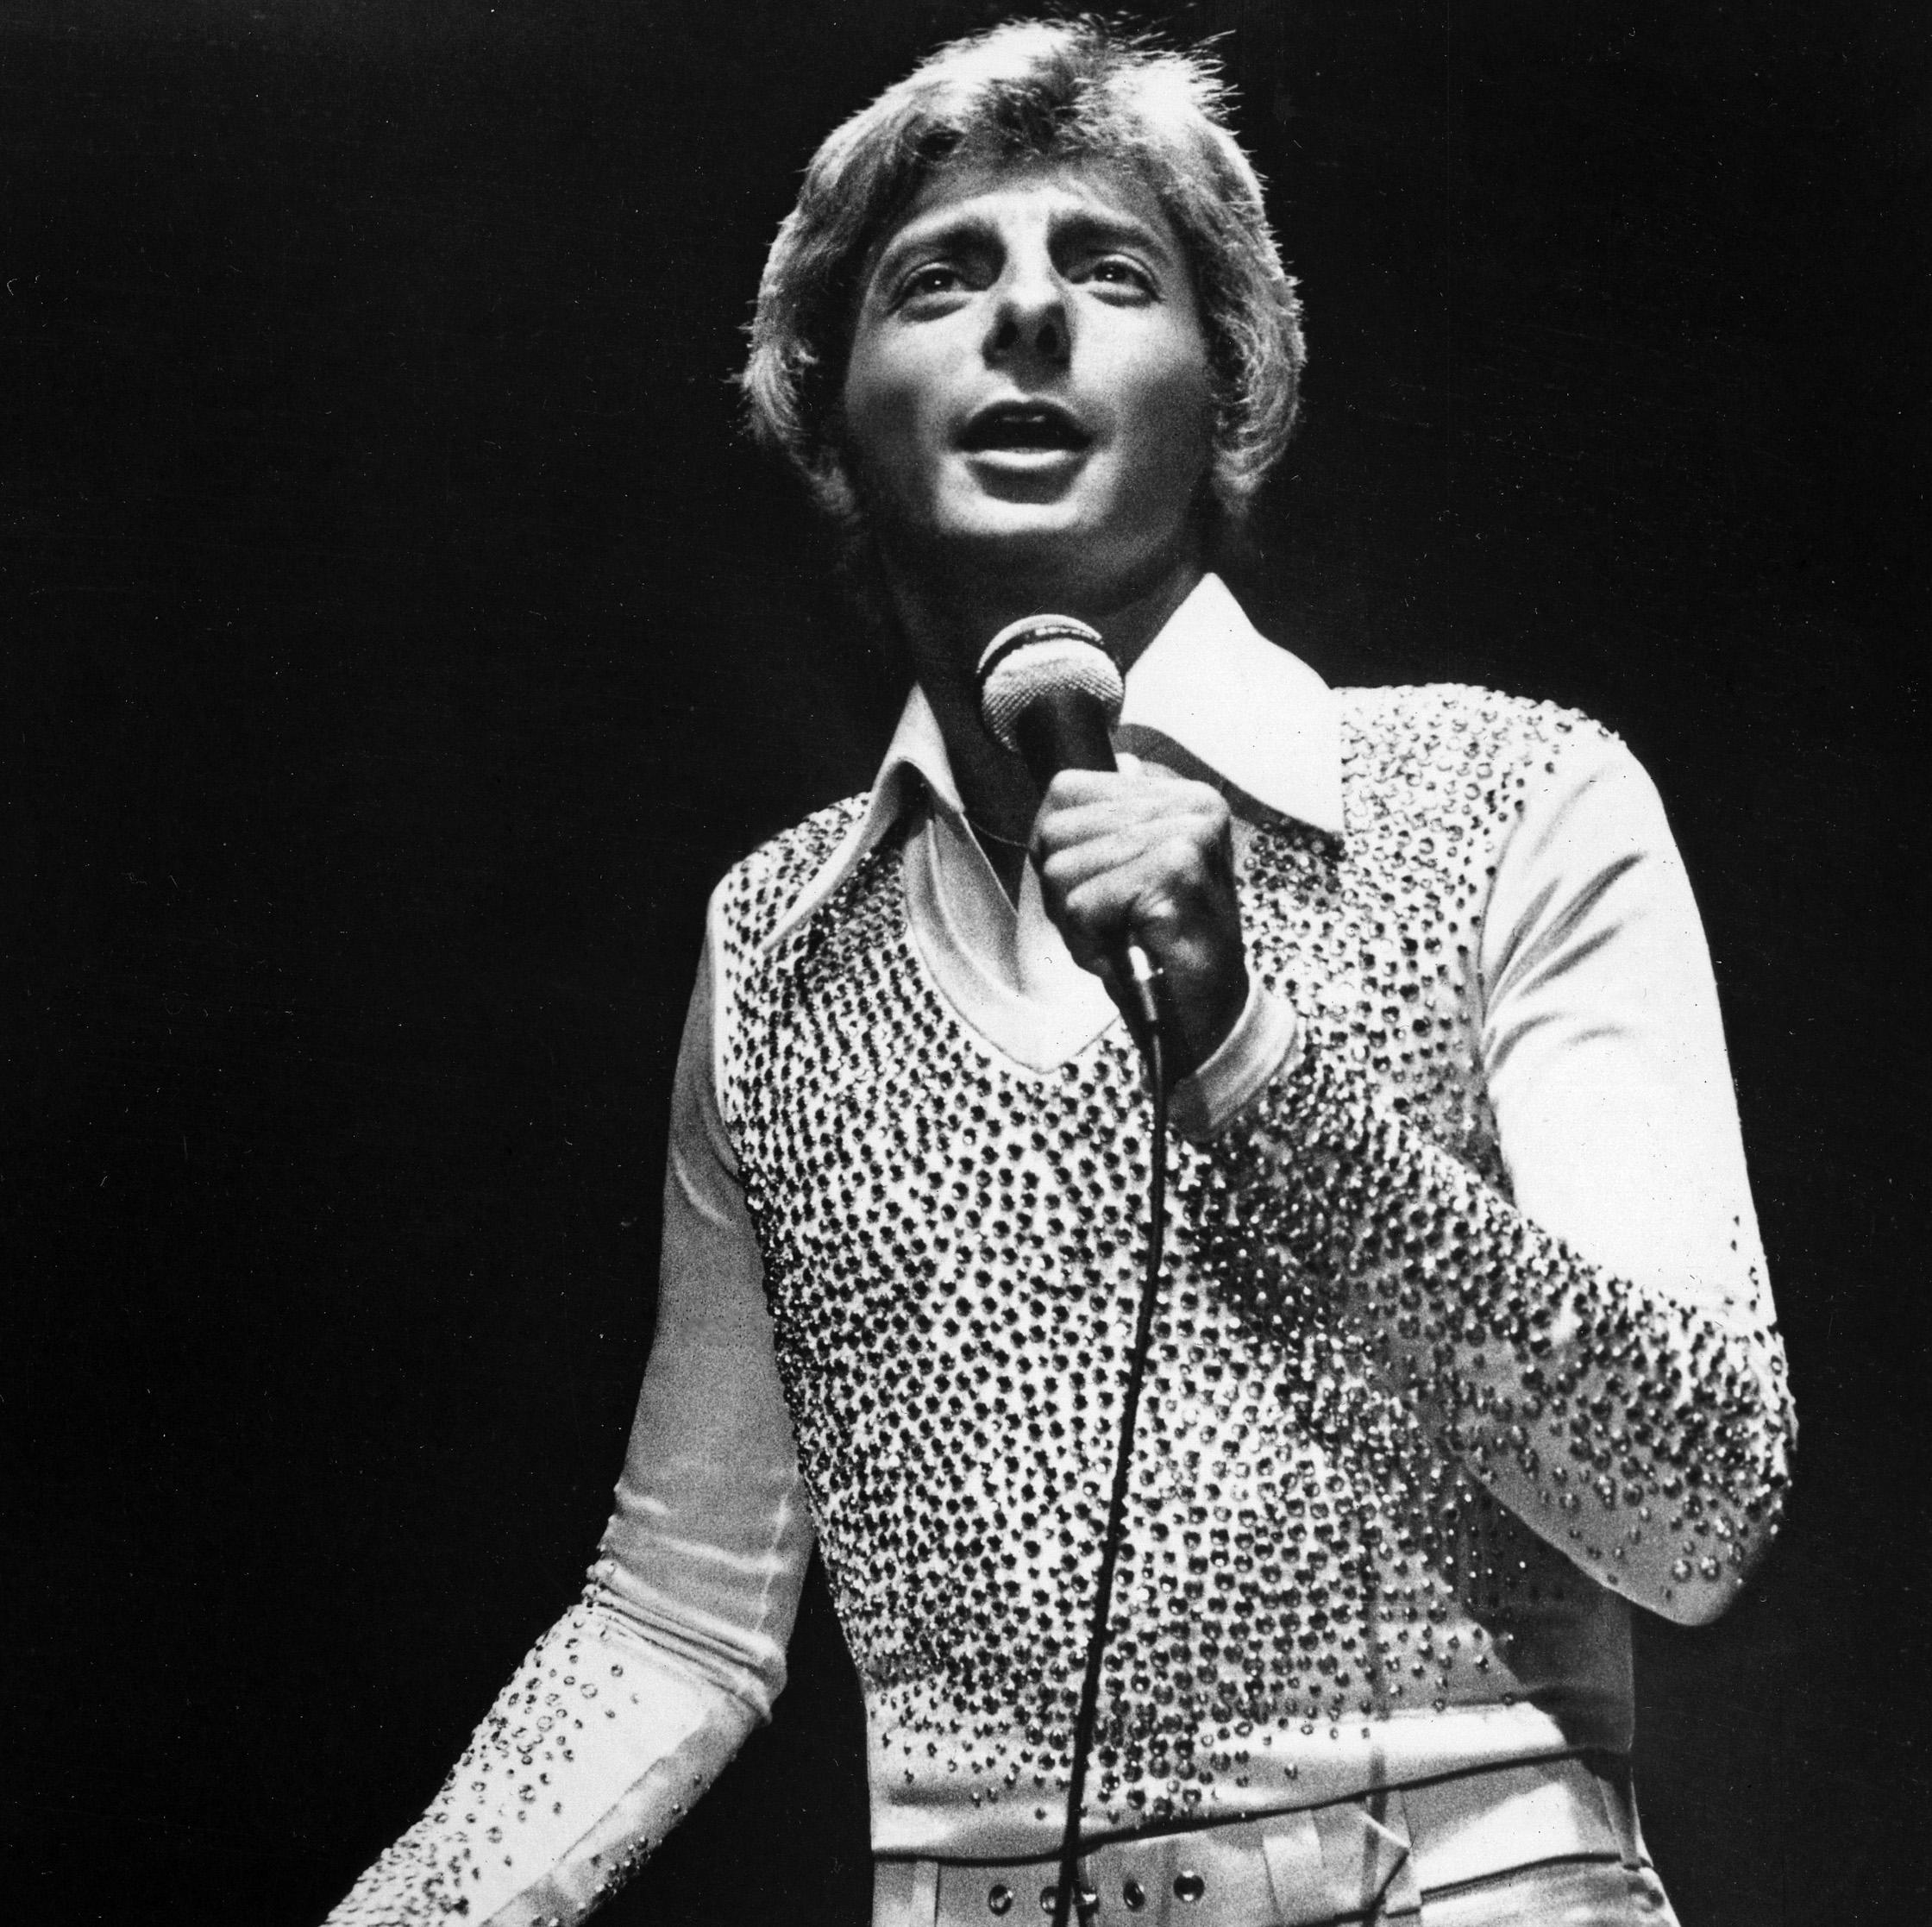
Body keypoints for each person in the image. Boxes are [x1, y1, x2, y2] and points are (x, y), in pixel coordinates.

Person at [327, 21, 1794, 1927]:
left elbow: (1696, 1499)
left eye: (1109, 271)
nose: (1026, 314)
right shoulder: (776, 944)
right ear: (824, 412)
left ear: (1231, 387)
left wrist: (1256, 1061)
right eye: (940, 278)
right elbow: (677, 1615)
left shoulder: (1509, 798)